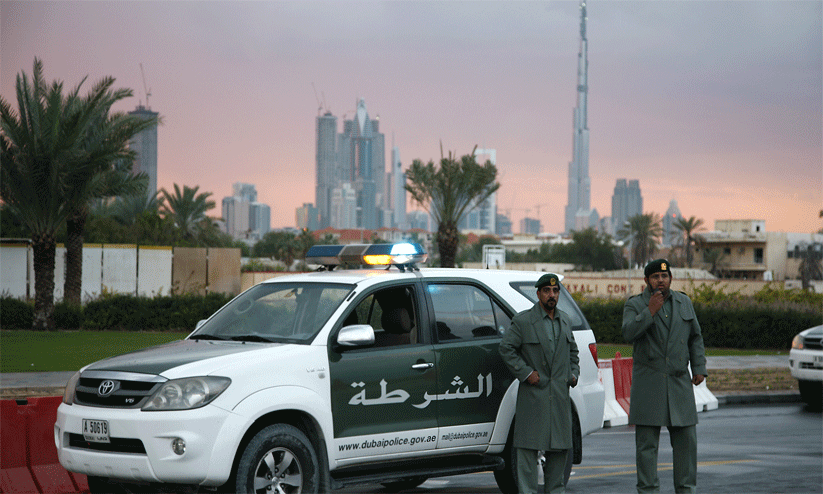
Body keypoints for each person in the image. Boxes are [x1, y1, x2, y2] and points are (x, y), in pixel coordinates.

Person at [622, 259, 707, 494]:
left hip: (679, 383)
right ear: (646, 280)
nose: (661, 280)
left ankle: (686, 490)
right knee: (647, 448)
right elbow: (628, 332)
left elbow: (695, 337)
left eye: (665, 276)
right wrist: (649, 311)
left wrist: (699, 367)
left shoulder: (683, 302)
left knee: (686, 444)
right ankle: (648, 491)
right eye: (655, 277)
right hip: (649, 384)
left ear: (670, 278)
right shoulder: (635, 304)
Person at [499, 273, 579, 494]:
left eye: (555, 291)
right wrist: (525, 373)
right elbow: (506, 349)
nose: (551, 295)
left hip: (559, 398)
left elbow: (573, 352)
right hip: (534, 398)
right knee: (527, 453)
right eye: (546, 291)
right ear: (538, 294)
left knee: (559, 452)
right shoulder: (524, 321)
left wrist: (573, 373)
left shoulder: (565, 320)